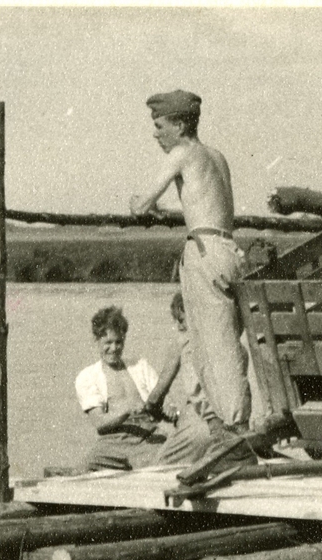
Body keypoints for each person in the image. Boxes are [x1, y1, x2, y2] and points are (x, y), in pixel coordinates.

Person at [130, 89, 252, 434]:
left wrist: (138, 204)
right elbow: (205, 205)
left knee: (213, 345)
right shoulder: (216, 157)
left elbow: (141, 205)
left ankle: (232, 427)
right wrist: (168, 211)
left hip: (204, 254)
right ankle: (227, 420)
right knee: (227, 338)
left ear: (180, 125)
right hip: (228, 249)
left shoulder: (182, 153)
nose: (155, 134)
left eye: (160, 126)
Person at [71, 306, 169, 472]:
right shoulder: (87, 376)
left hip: (146, 437)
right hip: (111, 443)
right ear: (96, 340)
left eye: (118, 342)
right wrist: (128, 410)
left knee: (165, 468)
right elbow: (100, 423)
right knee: (80, 473)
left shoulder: (141, 366)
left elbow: (164, 401)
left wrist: (170, 408)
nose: (114, 348)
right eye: (108, 343)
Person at [146, 292, 216, 466]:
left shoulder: (183, 341)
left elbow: (156, 396)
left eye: (181, 320)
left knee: (157, 467)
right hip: (227, 423)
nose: (178, 326)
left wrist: (151, 409)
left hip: (201, 424)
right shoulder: (220, 338)